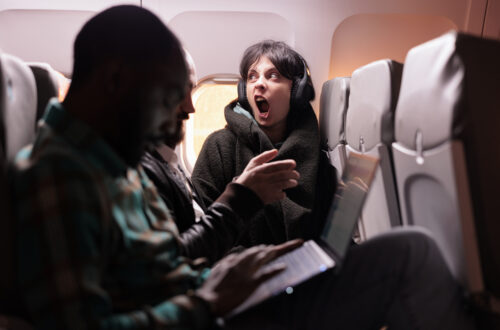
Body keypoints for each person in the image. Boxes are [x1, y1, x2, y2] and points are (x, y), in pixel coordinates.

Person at [9, 5, 476, 330]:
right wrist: (209, 297)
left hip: (224, 300)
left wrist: (241, 269)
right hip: (215, 315)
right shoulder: (58, 178)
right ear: (115, 81)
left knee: (405, 251)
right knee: (411, 254)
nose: (188, 110)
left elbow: (161, 267)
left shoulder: (114, 162)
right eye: (173, 94)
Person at [140, 51, 296, 263]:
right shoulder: (137, 171)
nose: (190, 107)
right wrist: (240, 197)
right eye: (178, 91)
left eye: (273, 76)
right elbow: (170, 264)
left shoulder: (166, 163)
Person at [192, 41, 337, 247]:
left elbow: (327, 232)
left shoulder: (315, 154)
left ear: (296, 91)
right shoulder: (220, 146)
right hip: (240, 272)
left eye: (273, 75)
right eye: (252, 76)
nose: (259, 83)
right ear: (244, 91)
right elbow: (201, 228)